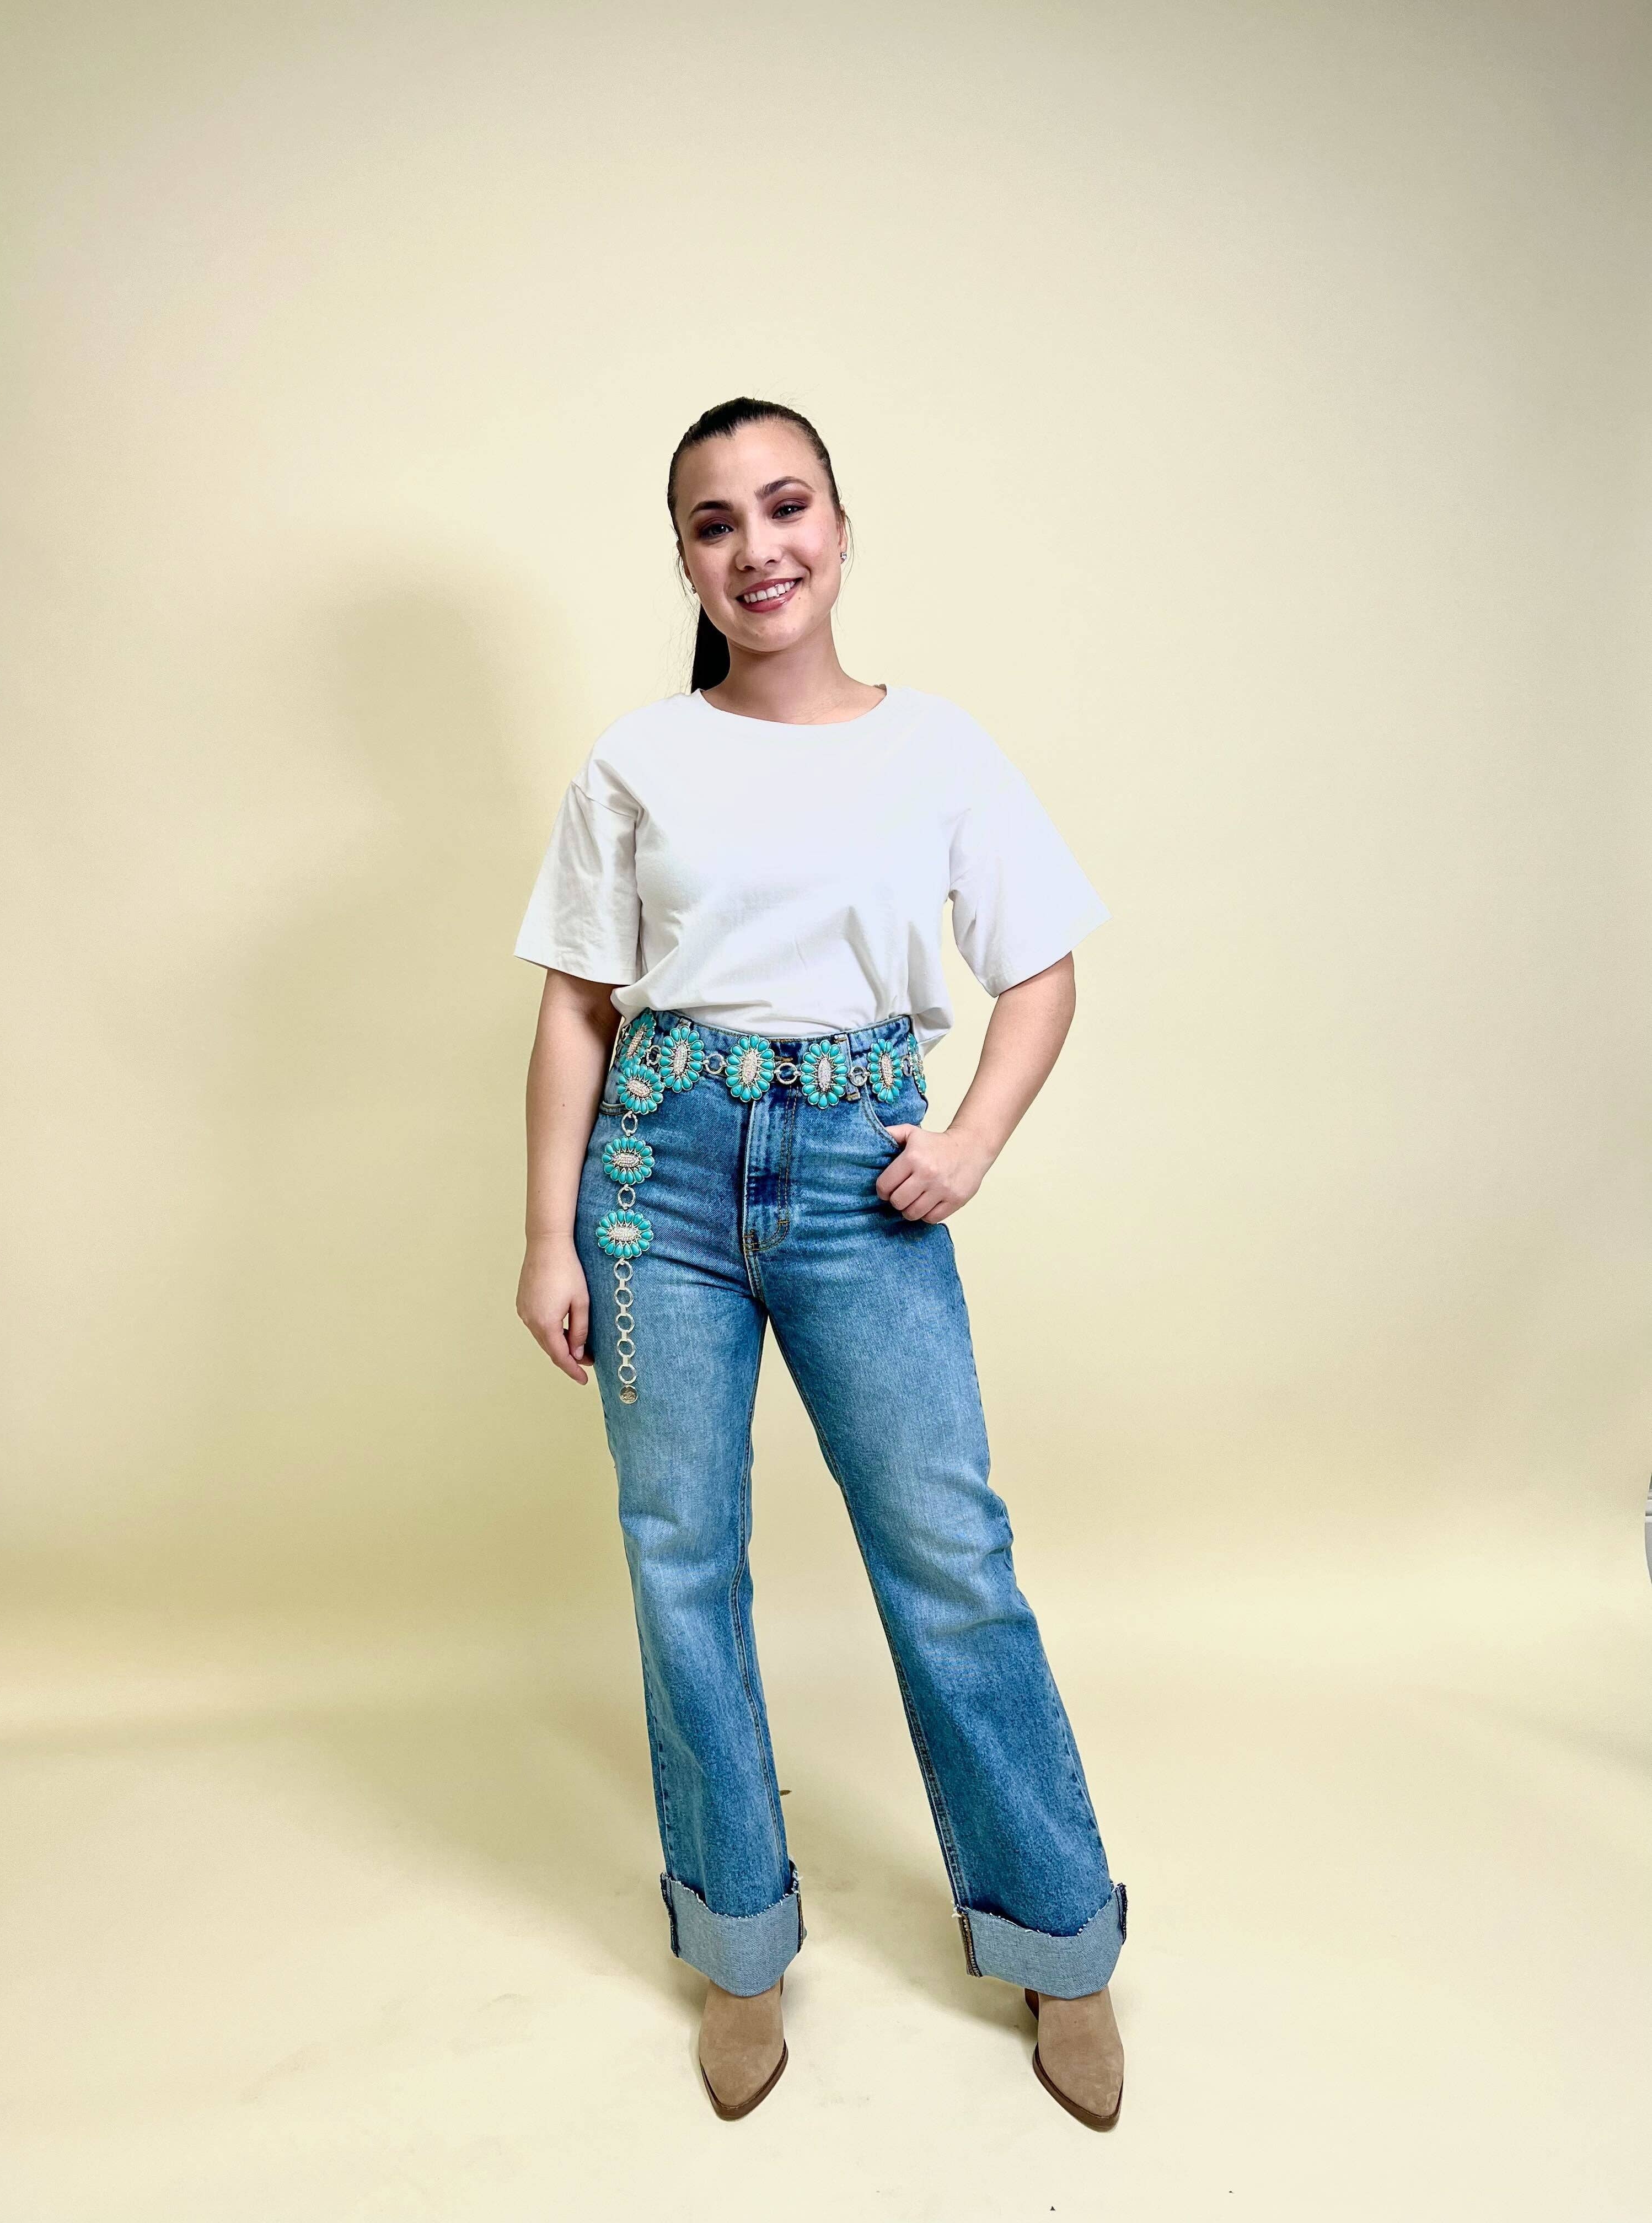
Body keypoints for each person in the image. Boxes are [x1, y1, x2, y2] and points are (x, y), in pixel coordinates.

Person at [513, 396, 1128, 2128]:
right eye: (716, 523)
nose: (757, 547)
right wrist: (549, 1232)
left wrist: (972, 1139)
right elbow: (576, 1006)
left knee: (948, 1552)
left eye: (786, 508)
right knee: (680, 1557)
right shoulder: (638, 758)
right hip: (658, 1178)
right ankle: (739, 1946)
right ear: (686, 561)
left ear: (841, 531)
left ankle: (1058, 1942)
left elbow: (1041, 973)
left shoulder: (937, 748)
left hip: (864, 1175)